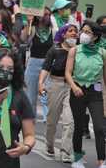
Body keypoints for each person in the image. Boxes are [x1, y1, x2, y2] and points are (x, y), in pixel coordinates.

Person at [65, 21, 106, 168]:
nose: (83, 34)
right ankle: (77, 158)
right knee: (78, 126)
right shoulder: (74, 50)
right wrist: (73, 86)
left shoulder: (103, 53)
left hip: (95, 92)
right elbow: (68, 73)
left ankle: (102, 160)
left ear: (95, 36)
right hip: (77, 90)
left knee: (100, 127)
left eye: (87, 32)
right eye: (83, 31)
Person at [38, 24, 78, 163]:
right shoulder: (54, 50)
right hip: (55, 85)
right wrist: (41, 83)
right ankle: (49, 145)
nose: (74, 33)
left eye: (75, 31)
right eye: (70, 31)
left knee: (70, 121)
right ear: (63, 34)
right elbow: (45, 67)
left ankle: (66, 152)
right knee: (52, 121)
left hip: (72, 87)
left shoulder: (79, 50)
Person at [21, 8, 54, 116]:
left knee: (47, 96)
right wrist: (28, 23)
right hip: (33, 65)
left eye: (49, 14)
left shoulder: (53, 30)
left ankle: (48, 121)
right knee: (31, 97)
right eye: (44, 14)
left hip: (48, 65)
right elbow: (23, 38)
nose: (47, 17)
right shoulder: (33, 28)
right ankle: (30, 123)